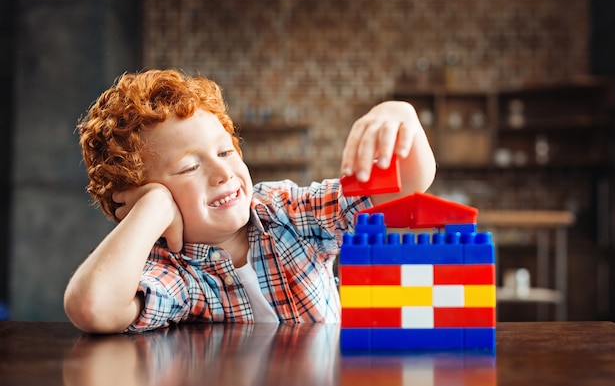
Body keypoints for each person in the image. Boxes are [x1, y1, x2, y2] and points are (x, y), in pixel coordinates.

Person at [63, 69, 436, 333]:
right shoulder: (176, 270)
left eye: (226, 152)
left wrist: (399, 113)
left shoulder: (288, 212)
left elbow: (409, 185)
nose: (222, 173)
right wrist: (153, 208)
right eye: (190, 168)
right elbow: (93, 307)